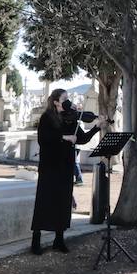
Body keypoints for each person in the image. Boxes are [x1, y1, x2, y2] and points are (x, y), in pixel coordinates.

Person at [33, 88, 102, 254]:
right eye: (64, 98)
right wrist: (64, 137)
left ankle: (59, 239)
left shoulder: (70, 118)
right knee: (45, 201)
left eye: (68, 97)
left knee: (63, 201)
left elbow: (82, 138)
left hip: (65, 165)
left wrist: (96, 127)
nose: (68, 100)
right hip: (50, 165)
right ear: (56, 101)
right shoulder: (47, 117)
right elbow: (43, 139)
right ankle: (36, 241)